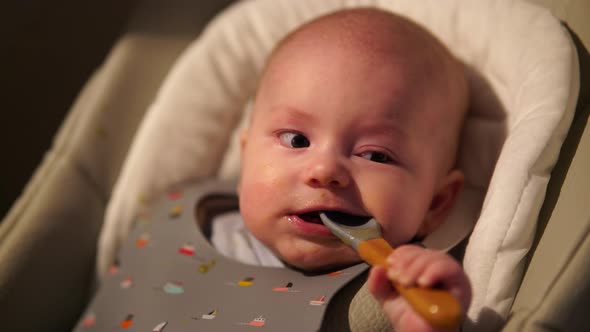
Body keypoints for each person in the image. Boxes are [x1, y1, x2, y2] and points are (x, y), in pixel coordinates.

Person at [233, 7, 472, 332]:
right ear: (245, 157)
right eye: (296, 139)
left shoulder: (406, 289)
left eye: (374, 155)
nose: (325, 170)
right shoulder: (192, 223)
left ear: (435, 202)